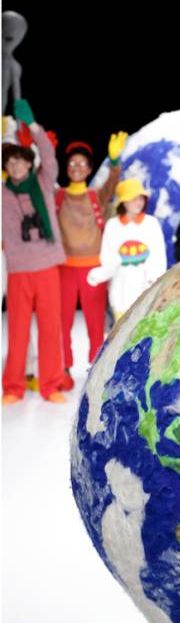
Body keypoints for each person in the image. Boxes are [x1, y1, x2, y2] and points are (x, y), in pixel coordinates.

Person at [2, 99, 67, 404]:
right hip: (18, 270)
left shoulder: (43, 182)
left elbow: (49, 155)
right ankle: (12, 387)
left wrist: (33, 126)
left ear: (29, 162)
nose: (15, 166)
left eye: (19, 160)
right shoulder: (3, 194)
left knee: (50, 329)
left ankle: (51, 384)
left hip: (47, 266)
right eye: (9, 162)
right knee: (17, 331)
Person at [56, 133, 127, 389]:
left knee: (95, 322)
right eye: (72, 163)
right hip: (64, 268)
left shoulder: (96, 196)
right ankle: (63, 369)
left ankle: (96, 368)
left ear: (89, 169)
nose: (77, 167)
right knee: (63, 322)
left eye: (82, 163)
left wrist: (114, 161)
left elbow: (113, 180)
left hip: (92, 269)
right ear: (67, 168)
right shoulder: (58, 196)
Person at [87, 179, 167, 320]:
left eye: (141, 198)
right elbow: (107, 259)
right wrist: (99, 274)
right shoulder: (113, 225)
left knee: (143, 329)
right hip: (121, 292)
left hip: (145, 291)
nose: (139, 202)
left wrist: (153, 281)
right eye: (134, 198)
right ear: (123, 202)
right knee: (122, 329)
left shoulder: (151, 223)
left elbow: (158, 257)